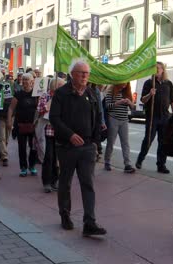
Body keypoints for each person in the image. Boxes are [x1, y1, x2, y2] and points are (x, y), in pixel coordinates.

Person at [49, 59, 106, 236]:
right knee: (65, 182)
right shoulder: (61, 93)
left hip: (87, 147)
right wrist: (70, 135)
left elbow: (97, 119)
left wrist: (96, 143)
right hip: (66, 146)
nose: (84, 76)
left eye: (87, 73)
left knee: (88, 183)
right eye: (81, 73)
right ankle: (65, 215)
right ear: (72, 74)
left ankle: (90, 222)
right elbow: (54, 118)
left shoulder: (91, 94)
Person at [135, 62, 173, 173]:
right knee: (148, 140)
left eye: (158, 68)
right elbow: (143, 100)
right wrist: (150, 94)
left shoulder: (168, 84)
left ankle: (161, 165)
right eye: (154, 68)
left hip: (165, 117)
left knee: (163, 142)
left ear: (163, 70)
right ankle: (140, 159)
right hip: (152, 117)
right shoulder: (149, 83)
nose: (156, 70)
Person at [7, 73, 39, 177]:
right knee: (22, 147)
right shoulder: (18, 93)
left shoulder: (37, 94)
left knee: (33, 147)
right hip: (20, 124)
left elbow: (40, 108)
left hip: (34, 125)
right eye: (24, 80)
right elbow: (11, 108)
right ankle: (23, 167)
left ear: (32, 82)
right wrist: (9, 120)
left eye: (27, 80)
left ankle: (32, 166)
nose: (25, 81)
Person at [38, 77, 65, 193]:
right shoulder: (46, 96)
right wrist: (51, 101)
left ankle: (55, 181)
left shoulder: (64, 97)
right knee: (49, 157)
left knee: (58, 158)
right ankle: (47, 182)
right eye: (61, 85)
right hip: (48, 130)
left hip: (60, 132)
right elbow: (40, 109)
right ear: (56, 86)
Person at [104, 83, 135, 173]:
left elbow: (133, 108)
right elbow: (107, 106)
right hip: (113, 119)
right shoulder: (110, 91)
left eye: (127, 83)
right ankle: (107, 161)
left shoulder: (127, 93)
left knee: (125, 143)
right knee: (111, 142)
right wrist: (118, 102)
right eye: (123, 82)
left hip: (124, 120)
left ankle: (127, 164)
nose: (125, 84)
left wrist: (129, 103)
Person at [0, 74, 13, 167]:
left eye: (12, 80)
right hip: (0, 116)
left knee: (7, 137)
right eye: (9, 80)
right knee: (2, 137)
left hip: (11, 117)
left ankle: (2, 150)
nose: (10, 81)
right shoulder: (0, 90)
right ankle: (4, 156)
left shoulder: (15, 92)